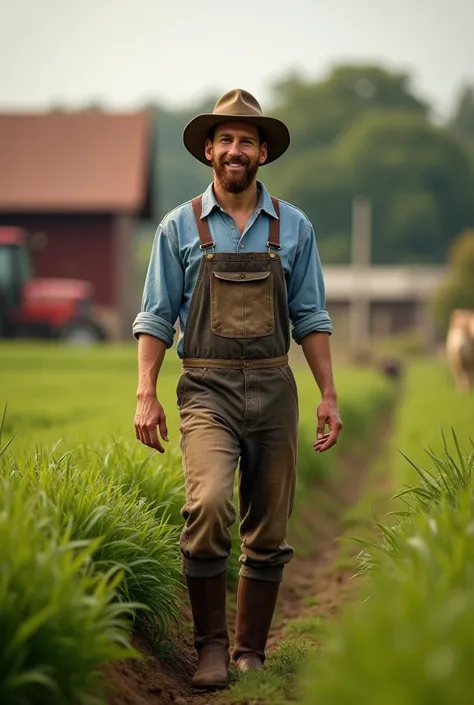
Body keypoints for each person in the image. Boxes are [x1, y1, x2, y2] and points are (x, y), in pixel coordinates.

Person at [133, 88, 343, 691]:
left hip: (276, 388)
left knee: (269, 527)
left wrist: (328, 393)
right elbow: (153, 318)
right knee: (208, 505)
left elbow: (313, 318)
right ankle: (209, 649)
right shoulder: (179, 226)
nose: (234, 149)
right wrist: (145, 392)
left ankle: (249, 650)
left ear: (262, 154)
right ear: (208, 150)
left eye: (245, 140)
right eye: (224, 138)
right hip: (205, 389)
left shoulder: (294, 227)